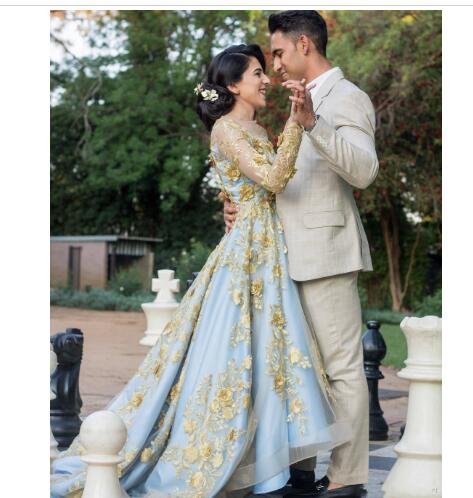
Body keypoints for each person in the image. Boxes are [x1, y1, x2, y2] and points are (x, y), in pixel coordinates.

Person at [50, 43, 350, 498]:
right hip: (248, 253)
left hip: (271, 246)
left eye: (264, 71)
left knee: (274, 355)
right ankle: (249, 466)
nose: (266, 79)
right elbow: (272, 180)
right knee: (240, 352)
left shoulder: (256, 128)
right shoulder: (226, 129)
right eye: (256, 73)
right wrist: (297, 121)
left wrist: (230, 198)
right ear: (233, 85)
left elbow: (249, 188)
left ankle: (278, 467)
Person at [223, 11, 378, 498]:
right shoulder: (296, 100)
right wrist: (236, 206)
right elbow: (281, 179)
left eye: (278, 52)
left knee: (342, 371)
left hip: (326, 252)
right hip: (281, 256)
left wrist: (313, 124)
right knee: (297, 370)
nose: (274, 64)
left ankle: (347, 477)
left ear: (304, 44)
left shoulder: (347, 97)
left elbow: (364, 170)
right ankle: (300, 471)